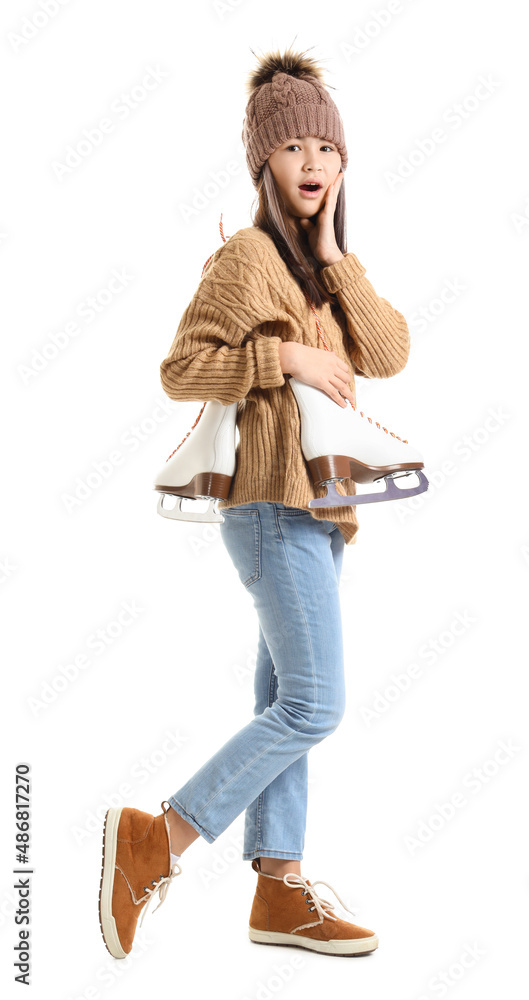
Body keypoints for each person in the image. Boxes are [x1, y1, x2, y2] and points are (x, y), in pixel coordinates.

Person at [99, 46, 411, 960]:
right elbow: (179, 369)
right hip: (270, 508)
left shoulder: (320, 270)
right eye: (294, 149)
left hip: (319, 511)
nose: (314, 163)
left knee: (283, 696)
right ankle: (157, 839)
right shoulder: (244, 259)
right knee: (315, 703)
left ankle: (278, 890)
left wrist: (335, 261)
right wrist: (286, 358)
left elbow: (388, 352)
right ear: (262, 163)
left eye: (328, 149)